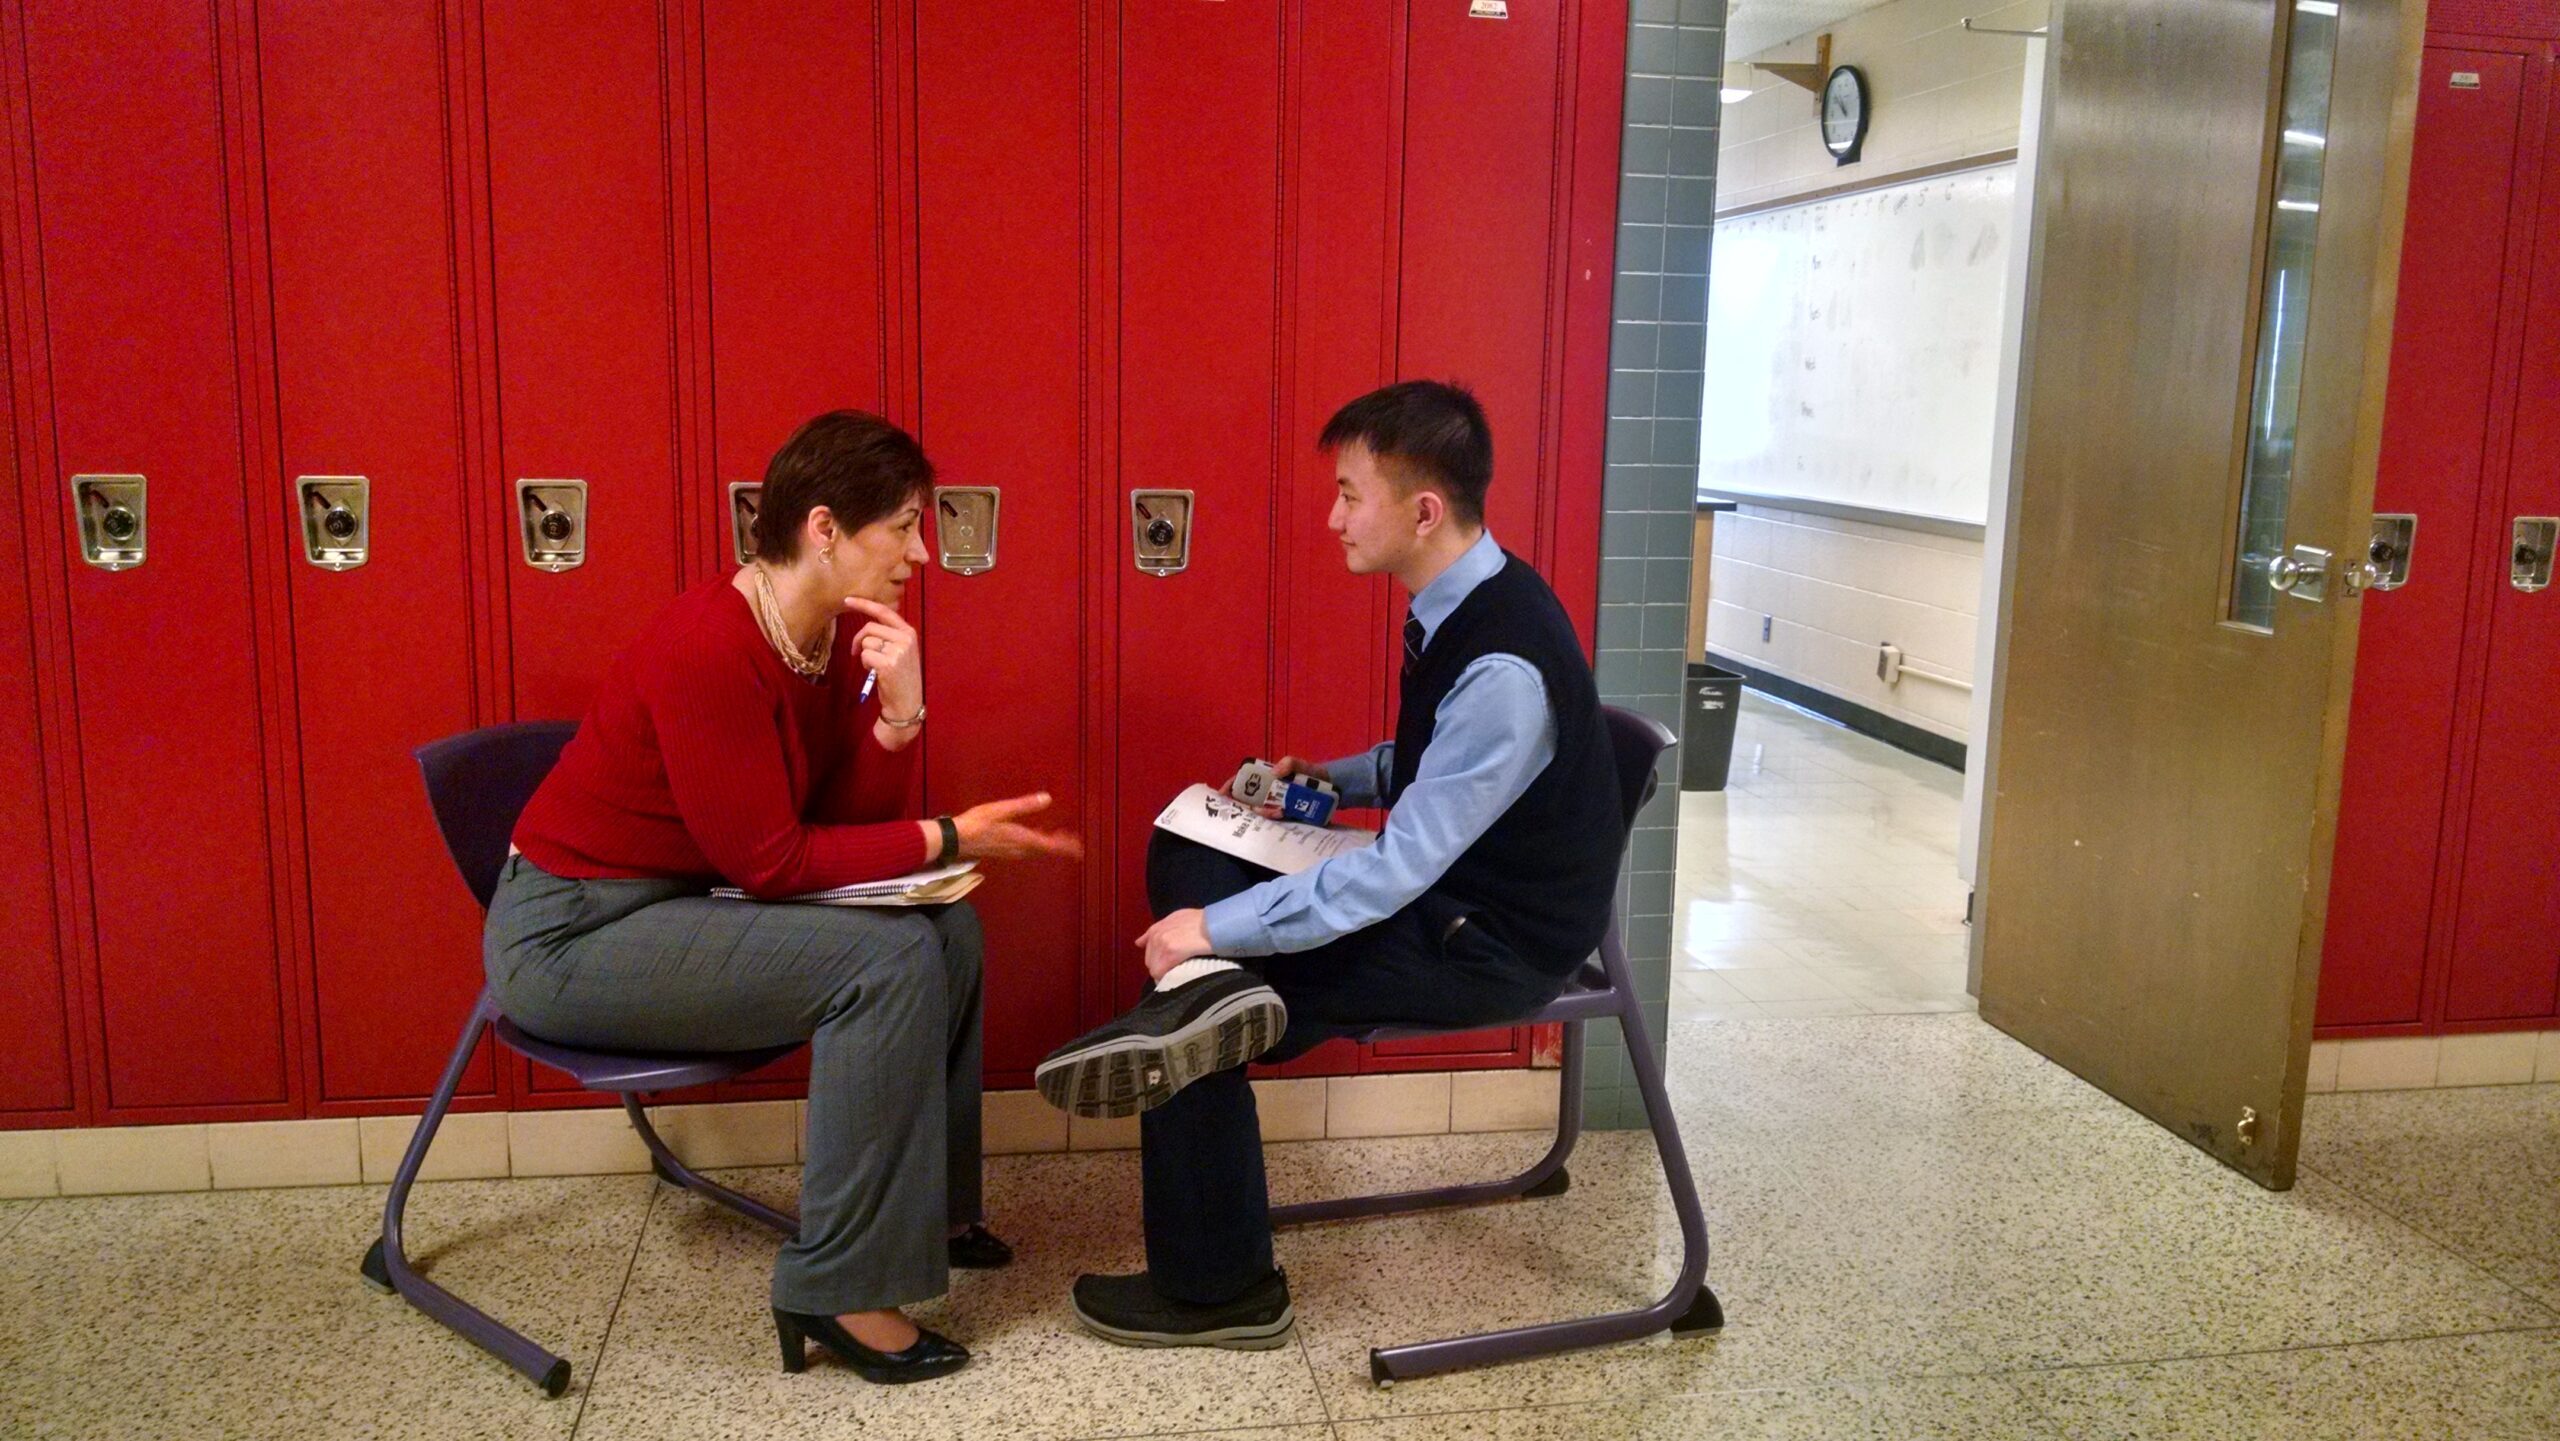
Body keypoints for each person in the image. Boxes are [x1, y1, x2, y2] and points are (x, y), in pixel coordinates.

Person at [487, 410, 1082, 1385]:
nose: (922, 553)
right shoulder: (707, 645)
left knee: (947, 928)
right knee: (884, 960)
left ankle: (925, 1216)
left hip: (674, 903)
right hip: (569, 934)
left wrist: (898, 719)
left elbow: (837, 828)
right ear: (824, 529)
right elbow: (772, 861)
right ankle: (839, 1286)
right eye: (903, 526)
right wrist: (948, 834)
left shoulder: (826, 635)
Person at [1035, 380, 1626, 1350]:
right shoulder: (1467, 602)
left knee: (1202, 993)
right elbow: (1434, 765)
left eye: (1351, 495)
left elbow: (1395, 871)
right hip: (1452, 894)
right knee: (1191, 841)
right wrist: (1329, 779)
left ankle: (1219, 1288)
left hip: (1489, 943)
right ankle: (1209, 1000)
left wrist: (1213, 928)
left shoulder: (1501, 667)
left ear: (1423, 512)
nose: (1332, 517)